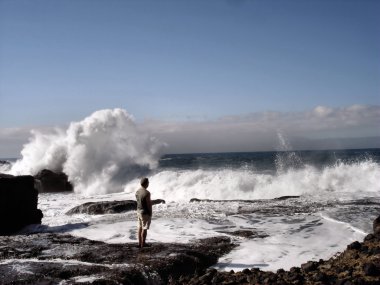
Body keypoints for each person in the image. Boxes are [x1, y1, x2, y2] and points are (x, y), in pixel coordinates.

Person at [135, 177, 152, 248]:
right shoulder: (147, 193)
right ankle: (143, 244)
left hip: (138, 211)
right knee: (144, 228)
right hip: (144, 212)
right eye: (148, 182)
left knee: (140, 227)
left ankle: (139, 243)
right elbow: (148, 204)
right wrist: (150, 213)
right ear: (146, 183)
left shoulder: (137, 191)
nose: (148, 184)